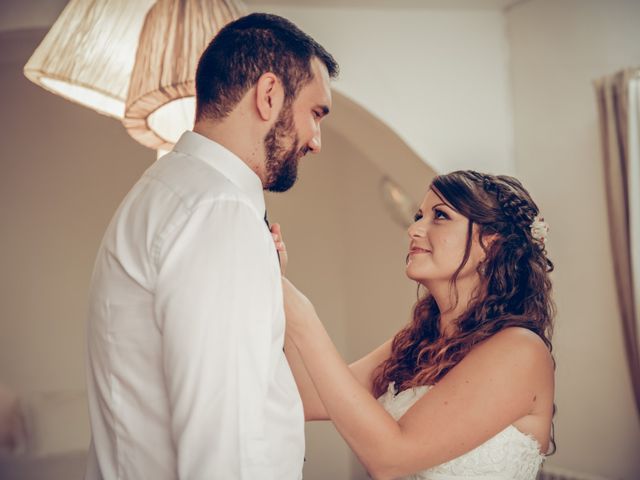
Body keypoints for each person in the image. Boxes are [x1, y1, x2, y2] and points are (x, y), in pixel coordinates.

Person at [85, 13, 337, 480]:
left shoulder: (168, 192)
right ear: (268, 95)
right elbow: (223, 442)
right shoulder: (219, 212)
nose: (316, 142)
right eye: (315, 114)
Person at [274, 170, 555, 479]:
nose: (414, 229)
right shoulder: (416, 342)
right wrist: (278, 291)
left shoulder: (520, 350)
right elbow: (305, 397)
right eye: (419, 216)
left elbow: (391, 458)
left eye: (440, 216)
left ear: (491, 243)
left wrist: (305, 319)